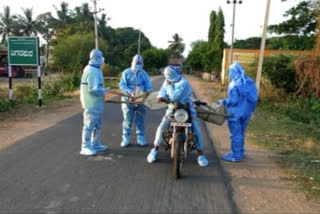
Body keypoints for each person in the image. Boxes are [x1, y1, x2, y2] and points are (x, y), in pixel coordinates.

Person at [147, 65, 208, 167]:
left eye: (170, 76)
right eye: (168, 77)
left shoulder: (183, 83)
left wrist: (169, 86)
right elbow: (162, 90)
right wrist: (160, 96)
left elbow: (175, 97)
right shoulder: (167, 81)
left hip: (186, 107)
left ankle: (201, 155)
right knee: (162, 126)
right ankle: (154, 150)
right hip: (172, 108)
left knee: (196, 129)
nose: (169, 78)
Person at [219, 62, 258, 162]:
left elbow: (233, 101)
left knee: (235, 134)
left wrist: (223, 101)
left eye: (230, 72)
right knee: (241, 132)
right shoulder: (249, 82)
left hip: (235, 113)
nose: (230, 74)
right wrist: (252, 110)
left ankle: (235, 156)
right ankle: (241, 152)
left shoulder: (234, 84)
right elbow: (254, 99)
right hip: (246, 112)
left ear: (233, 72)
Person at [80, 49, 109, 156]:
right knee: (89, 124)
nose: (102, 60)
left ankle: (95, 143)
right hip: (91, 103)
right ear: (96, 58)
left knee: (97, 124)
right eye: (101, 58)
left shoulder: (96, 69)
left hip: (97, 102)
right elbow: (93, 89)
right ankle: (85, 146)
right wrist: (103, 91)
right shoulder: (91, 70)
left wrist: (102, 91)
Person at [119, 54, 152, 147]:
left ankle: (141, 137)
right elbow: (122, 85)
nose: (137, 66)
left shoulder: (144, 73)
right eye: (136, 63)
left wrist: (145, 93)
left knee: (140, 120)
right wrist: (130, 92)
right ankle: (125, 137)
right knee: (127, 120)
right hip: (128, 99)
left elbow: (148, 85)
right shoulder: (126, 72)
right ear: (132, 63)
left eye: (139, 63)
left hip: (141, 100)